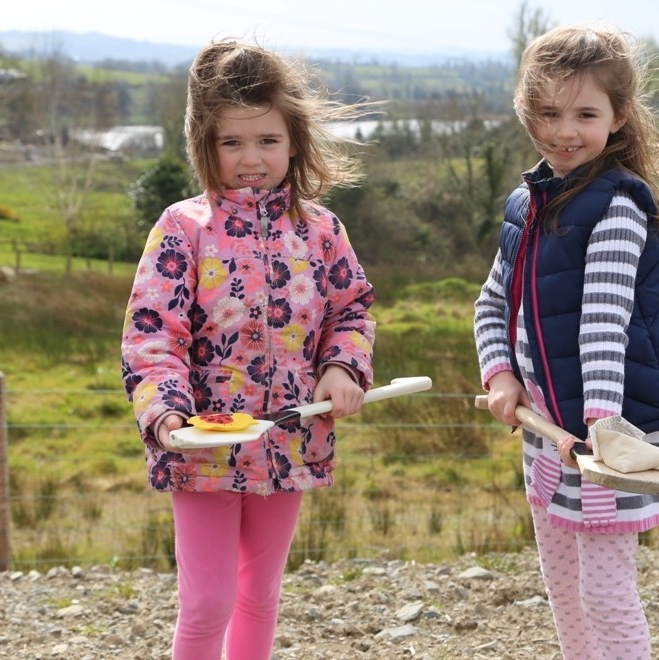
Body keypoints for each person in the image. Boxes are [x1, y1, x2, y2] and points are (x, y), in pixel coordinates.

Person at [121, 39, 376, 660]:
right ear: (204, 146)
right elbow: (152, 330)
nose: (251, 158)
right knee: (207, 603)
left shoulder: (321, 230)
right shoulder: (183, 229)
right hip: (202, 444)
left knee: (260, 595)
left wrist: (343, 366)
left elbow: (352, 308)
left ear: (294, 143)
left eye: (267, 141)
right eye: (231, 143)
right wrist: (167, 414)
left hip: (288, 437)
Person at [473, 24, 659, 659]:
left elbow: (603, 320)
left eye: (585, 114)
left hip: (611, 438)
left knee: (604, 590)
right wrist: (500, 376)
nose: (564, 130)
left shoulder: (618, 207)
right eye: (547, 112)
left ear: (619, 116)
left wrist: (600, 426)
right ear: (526, 111)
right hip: (547, 428)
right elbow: (493, 299)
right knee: (562, 586)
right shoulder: (527, 203)